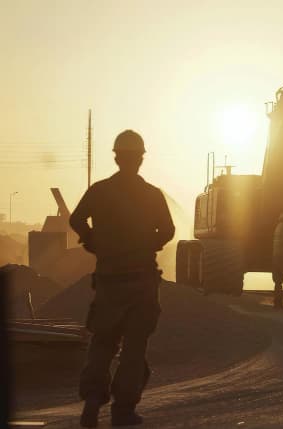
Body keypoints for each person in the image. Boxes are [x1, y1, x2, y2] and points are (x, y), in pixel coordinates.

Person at [70, 130, 175, 428]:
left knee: (103, 341)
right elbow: (168, 230)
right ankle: (123, 410)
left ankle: (92, 401)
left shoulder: (100, 191)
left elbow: (76, 219)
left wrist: (93, 241)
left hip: (109, 281)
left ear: (116, 158)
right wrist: (147, 244)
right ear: (140, 159)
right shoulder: (151, 195)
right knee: (134, 348)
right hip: (141, 282)